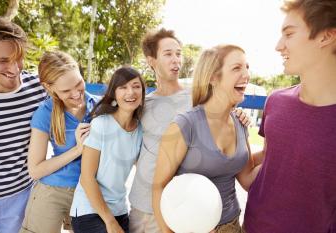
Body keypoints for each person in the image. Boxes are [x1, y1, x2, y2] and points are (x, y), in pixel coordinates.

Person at [128, 28, 251, 233]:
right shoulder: (141, 105)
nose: (176, 59)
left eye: (178, 53)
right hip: (154, 204)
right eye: (168, 54)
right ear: (151, 61)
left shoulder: (199, 98)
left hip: (203, 211)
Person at [243, 0, 336, 232]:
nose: (278, 46)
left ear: (326, 36)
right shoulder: (275, 101)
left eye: (289, 34)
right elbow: (269, 158)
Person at [152, 45, 263, 233]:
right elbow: (158, 189)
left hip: (232, 226)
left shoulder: (240, 124)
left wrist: (277, 149)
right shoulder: (185, 125)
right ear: (213, 77)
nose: (246, 74)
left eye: (247, 67)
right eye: (237, 68)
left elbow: (247, 179)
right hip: (189, 229)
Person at [19, 51, 97, 233]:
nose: (77, 94)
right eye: (66, 91)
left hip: (89, 192)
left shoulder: (100, 107)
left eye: (78, 84)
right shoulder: (44, 113)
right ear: (48, 87)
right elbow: (35, 169)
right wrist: (77, 150)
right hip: (52, 191)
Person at [0, 15, 46, 233]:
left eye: (18, 58)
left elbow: (81, 101)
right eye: (3, 61)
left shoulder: (38, 89)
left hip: (21, 199)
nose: (14, 68)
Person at [69, 66, 145, 233]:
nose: (130, 92)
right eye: (123, 87)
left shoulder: (140, 130)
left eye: (136, 86)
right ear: (114, 94)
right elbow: (87, 178)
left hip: (119, 209)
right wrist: (110, 222)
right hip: (89, 209)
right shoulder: (101, 124)